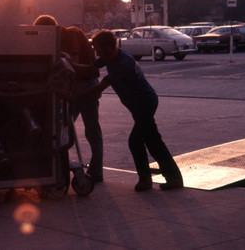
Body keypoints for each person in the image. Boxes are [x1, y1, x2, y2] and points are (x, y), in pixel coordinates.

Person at [71, 30, 183, 192]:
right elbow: (90, 67)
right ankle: (165, 178)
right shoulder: (113, 55)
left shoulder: (122, 65)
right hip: (141, 105)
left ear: (109, 48)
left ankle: (153, 180)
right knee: (150, 141)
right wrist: (71, 65)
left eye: (99, 50)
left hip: (144, 105)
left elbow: (98, 88)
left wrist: (75, 97)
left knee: (138, 142)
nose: (97, 54)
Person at [32, 15, 104, 182]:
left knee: (90, 128)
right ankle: (60, 164)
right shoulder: (57, 40)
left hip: (86, 84)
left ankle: (96, 171)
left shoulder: (71, 35)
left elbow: (72, 68)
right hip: (74, 85)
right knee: (64, 126)